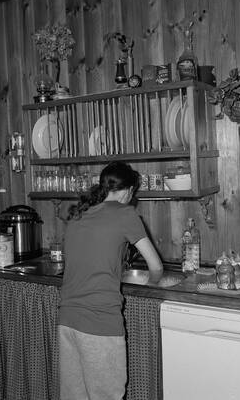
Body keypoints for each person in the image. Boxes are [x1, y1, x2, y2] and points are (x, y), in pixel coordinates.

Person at [58, 161, 164, 400]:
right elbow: (155, 266)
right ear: (128, 190)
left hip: (67, 321)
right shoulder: (125, 213)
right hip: (99, 323)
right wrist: (153, 284)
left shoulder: (78, 214)